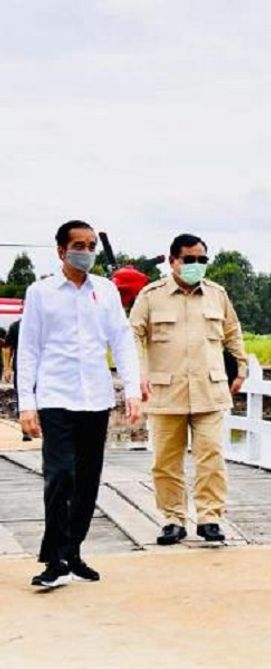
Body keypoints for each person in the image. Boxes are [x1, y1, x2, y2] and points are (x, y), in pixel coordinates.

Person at [18, 221, 142, 588]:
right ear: (60, 251)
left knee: (88, 480)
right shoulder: (40, 292)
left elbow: (121, 342)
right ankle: (53, 558)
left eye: (90, 246)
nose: (85, 252)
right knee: (60, 475)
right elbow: (28, 349)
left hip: (96, 398)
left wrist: (131, 391)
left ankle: (72, 551)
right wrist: (27, 403)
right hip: (56, 395)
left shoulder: (105, 292)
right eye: (78, 245)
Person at [130, 233, 247, 546]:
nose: (196, 265)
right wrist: (138, 374)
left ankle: (210, 518)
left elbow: (232, 333)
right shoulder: (151, 296)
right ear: (172, 261)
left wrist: (241, 367)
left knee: (212, 456)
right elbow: (133, 336)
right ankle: (173, 519)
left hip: (209, 390)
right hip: (166, 392)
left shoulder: (217, 295)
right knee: (167, 461)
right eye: (189, 259)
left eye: (202, 260)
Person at [2, 320, 31, 442]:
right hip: (22, 367)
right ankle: (26, 431)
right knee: (23, 396)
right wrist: (7, 368)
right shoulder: (16, 326)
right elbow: (8, 348)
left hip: (42, 368)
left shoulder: (44, 323)